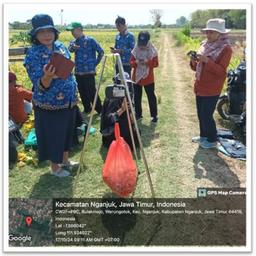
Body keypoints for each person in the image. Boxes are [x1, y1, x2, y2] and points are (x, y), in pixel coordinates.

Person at [24, 14, 79, 177]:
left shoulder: (61, 46)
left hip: (68, 101)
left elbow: (69, 70)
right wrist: (47, 76)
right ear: (35, 35)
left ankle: (65, 160)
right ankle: (55, 168)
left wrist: (74, 90)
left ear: (55, 33)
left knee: (67, 132)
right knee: (54, 135)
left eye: (50, 31)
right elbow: (39, 86)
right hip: (49, 104)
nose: (47, 35)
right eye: (42, 32)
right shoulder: (32, 54)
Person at [190, 18, 232, 149]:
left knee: (207, 115)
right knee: (200, 113)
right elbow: (196, 67)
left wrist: (207, 61)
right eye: (207, 32)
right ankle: (203, 136)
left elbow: (221, 71)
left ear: (221, 34)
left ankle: (212, 139)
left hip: (212, 88)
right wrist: (193, 61)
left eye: (212, 32)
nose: (208, 35)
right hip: (200, 85)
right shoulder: (204, 44)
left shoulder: (226, 49)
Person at [66, 22, 103, 115]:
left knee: (91, 91)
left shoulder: (90, 40)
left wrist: (94, 63)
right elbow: (69, 49)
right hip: (78, 71)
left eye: (72, 30)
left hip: (89, 71)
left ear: (79, 29)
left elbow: (101, 52)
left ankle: (100, 109)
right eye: (71, 31)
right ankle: (87, 108)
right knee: (82, 91)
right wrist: (72, 47)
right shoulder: (74, 42)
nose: (72, 33)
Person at [100, 73, 139, 150]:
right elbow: (109, 119)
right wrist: (122, 109)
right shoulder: (113, 98)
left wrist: (132, 116)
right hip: (112, 131)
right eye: (124, 83)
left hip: (122, 124)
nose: (126, 85)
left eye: (127, 83)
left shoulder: (124, 94)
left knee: (136, 133)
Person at [130, 31, 159, 123]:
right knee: (137, 97)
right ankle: (138, 114)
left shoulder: (153, 50)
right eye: (140, 43)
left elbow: (156, 64)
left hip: (148, 78)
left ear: (148, 41)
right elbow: (131, 63)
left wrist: (147, 62)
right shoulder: (135, 49)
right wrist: (136, 62)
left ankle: (154, 116)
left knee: (151, 97)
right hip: (137, 77)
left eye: (144, 43)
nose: (142, 46)